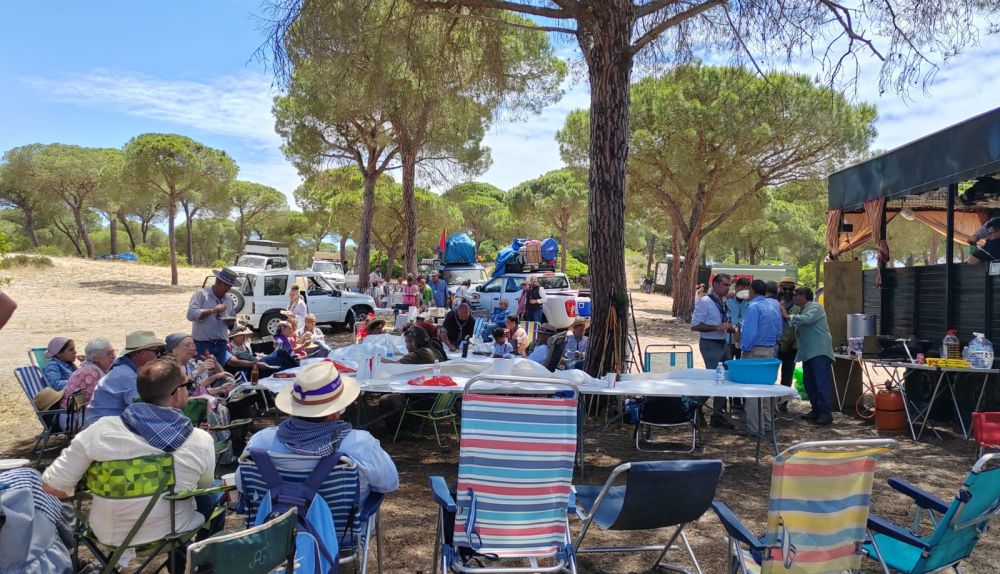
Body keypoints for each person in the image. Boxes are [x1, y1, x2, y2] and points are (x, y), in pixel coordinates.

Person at [43, 358, 218, 565]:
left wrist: (102, 484)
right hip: (170, 532)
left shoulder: (100, 431)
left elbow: (53, 486)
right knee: (214, 492)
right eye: (187, 385)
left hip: (109, 535)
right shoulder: (198, 439)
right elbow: (203, 485)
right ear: (178, 393)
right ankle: (192, 563)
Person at [238, 361, 398, 510]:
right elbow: (389, 483)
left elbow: (241, 483)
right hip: (339, 538)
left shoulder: (260, 443)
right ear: (335, 410)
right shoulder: (360, 444)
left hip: (273, 535)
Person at [782, 286, 836, 425]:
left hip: (819, 352)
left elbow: (807, 319)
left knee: (821, 382)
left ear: (803, 296)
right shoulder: (803, 309)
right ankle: (816, 410)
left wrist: (788, 316)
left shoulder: (815, 307)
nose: (793, 297)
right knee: (809, 382)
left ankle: (825, 413)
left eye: (795, 295)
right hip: (808, 353)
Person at [86, 331, 165, 425]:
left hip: (108, 424)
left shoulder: (126, 369)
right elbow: (142, 408)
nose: (158, 356)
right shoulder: (125, 375)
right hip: (104, 429)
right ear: (143, 353)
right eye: (157, 351)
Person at [740, 279, 785, 435]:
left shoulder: (754, 307)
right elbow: (779, 330)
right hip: (770, 351)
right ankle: (766, 424)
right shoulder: (773, 306)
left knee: (752, 392)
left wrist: (744, 349)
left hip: (755, 351)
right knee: (766, 391)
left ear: (752, 290)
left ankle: (753, 428)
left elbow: (750, 333)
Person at [691, 273, 735, 428]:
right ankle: (694, 406)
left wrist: (728, 328)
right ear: (715, 285)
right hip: (710, 344)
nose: (728, 288)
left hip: (722, 342)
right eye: (725, 284)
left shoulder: (722, 301)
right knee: (714, 378)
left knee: (725, 378)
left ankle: (718, 415)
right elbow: (695, 326)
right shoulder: (705, 302)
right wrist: (717, 327)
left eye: (729, 285)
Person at [187, 268, 238, 368]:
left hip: (221, 344)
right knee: (203, 374)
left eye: (230, 286)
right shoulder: (201, 294)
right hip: (203, 344)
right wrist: (213, 310)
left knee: (219, 375)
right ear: (218, 282)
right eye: (226, 285)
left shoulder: (229, 300)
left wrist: (231, 323)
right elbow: (191, 315)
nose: (228, 289)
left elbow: (233, 326)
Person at [60, 337, 116, 409]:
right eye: (109, 354)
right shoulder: (91, 374)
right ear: (95, 358)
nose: (114, 357)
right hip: (75, 416)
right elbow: (101, 401)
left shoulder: (92, 369)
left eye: (113, 352)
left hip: (76, 413)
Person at [776, 278, 801, 412]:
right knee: (772, 374)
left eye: (790, 289)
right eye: (784, 289)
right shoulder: (774, 303)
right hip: (776, 345)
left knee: (787, 374)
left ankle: (783, 403)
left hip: (792, 346)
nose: (787, 291)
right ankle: (771, 401)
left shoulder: (798, 306)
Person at [726, 278, 751, 360]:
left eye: (746, 289)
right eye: (741, 288)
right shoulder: (727, 301)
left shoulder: (750, 304)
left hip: (743, 341)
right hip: (728, 339)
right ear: (736, 288)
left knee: (741, 366)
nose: (743, 291)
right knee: (727, 365)